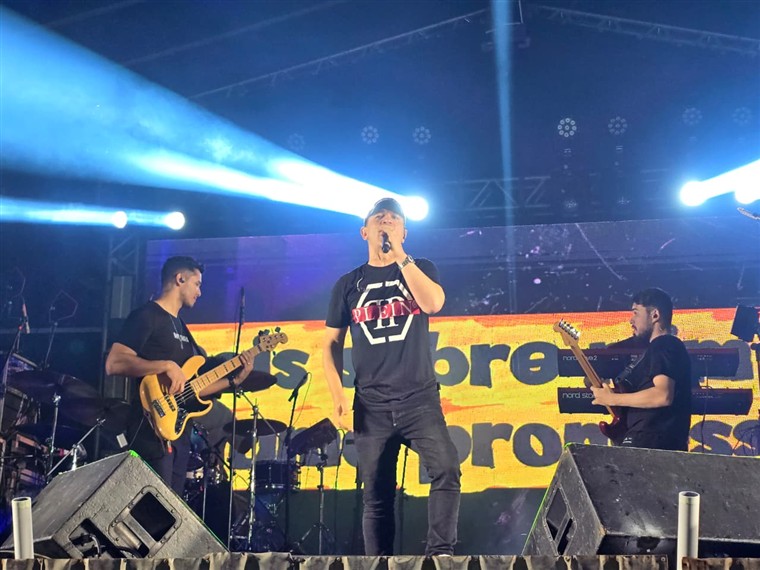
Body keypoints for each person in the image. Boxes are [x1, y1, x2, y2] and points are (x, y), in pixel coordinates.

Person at [323, 198, 461, 556]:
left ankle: (440, 555)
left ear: (404, 232)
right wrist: (338, 396)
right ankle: (378, 564)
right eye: (380, 218)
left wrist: (400, 255)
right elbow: (331, 344)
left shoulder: (419, 267)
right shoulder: (348, 284)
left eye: (394, 219)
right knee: (376, 495)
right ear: (364, 231)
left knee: (446, 468)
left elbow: (433, 304)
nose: (387, 222)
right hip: (371, 404)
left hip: (419, 400)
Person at [105, 256, 253, 494]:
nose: (200, 292)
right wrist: (164, 365)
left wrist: (233, 381)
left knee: (171, 506)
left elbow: (191, 389)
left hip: (178, 432)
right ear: (180, 279)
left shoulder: (182, 328)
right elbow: (114, 363)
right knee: (152, 504)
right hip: (150, 427)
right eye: (197, 284)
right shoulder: (147, 315)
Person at [590, 287, 692, 451]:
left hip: (652, 441)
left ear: (655, 315)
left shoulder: (665, 344)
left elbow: (662, 395)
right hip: (646, 440)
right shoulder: (656, 350)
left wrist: (612, 399)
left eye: (636, 313)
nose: (631, 320)